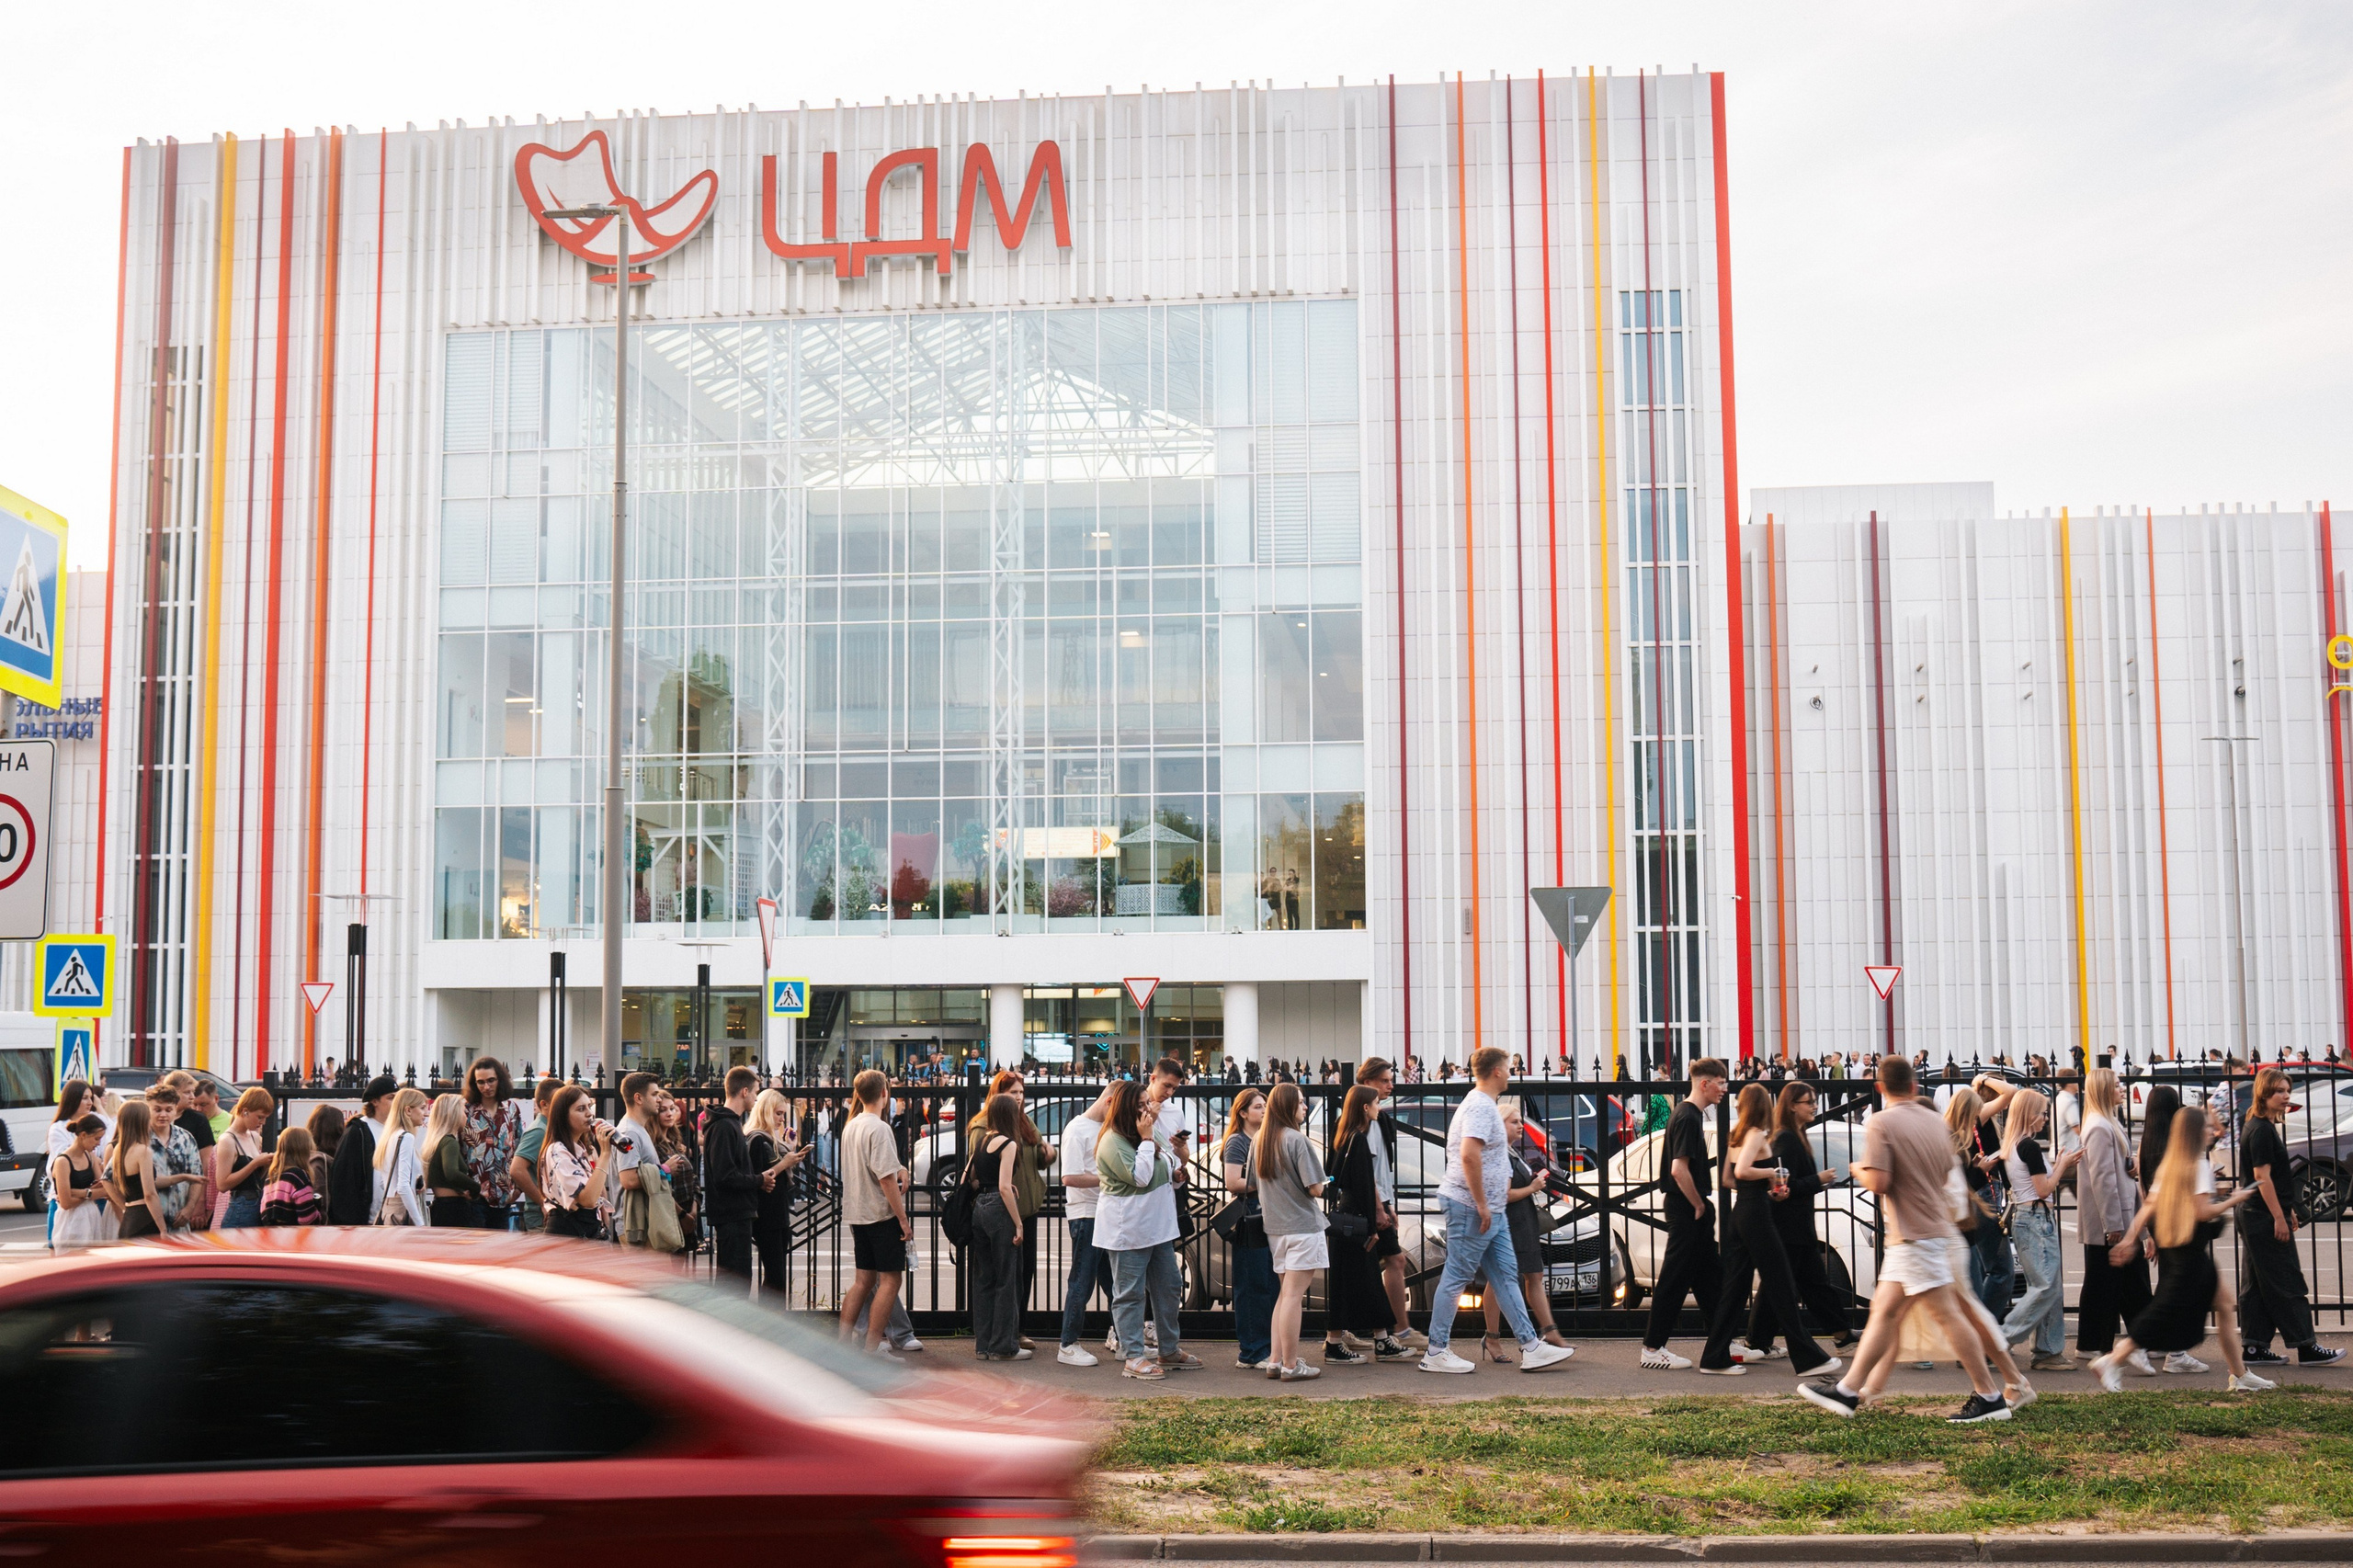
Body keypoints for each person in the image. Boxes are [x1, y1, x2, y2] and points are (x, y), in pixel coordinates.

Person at [1801, 1056, 2018, 1423]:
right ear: (1915, 1085)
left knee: (1947, 1316)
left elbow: (1880, 1182)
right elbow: (1946, 1172)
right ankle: (1849, 1390)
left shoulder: (1882, 1121)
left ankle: (1989, 1395)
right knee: (1885, 1313)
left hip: (1913, 1233)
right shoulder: (1935, 1121)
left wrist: (1859, 1169)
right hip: (1928, 1229)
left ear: (1881, 1087)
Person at [2091, 1105, 2273, 1393]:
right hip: (2192, 1254)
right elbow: (2202, 1212)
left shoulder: (2171, 1164)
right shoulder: (2198, 1165)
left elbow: (2149, 1206)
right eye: (2207, 1127)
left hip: (2179, 1249)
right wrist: (2234, 1199)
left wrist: (2129, 1239)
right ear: (2194, 1133)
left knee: (2224, 1305)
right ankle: (2115, 1358)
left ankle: (2239, 1374)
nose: (2213, 1131)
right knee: (2166, 1310)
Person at [1421, 1047, 1574, 1375]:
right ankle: (1436, 1350)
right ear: (1496, 1072)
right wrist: (1481, 1203)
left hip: (1490, 1208)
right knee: (1458, 1276)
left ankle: (1531, 1346)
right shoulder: (1480, 1106)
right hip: (1472, 1206)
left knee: (1506, 1275)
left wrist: (1488, 1204)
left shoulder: (1483, 1105)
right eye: (1509, 1068)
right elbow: (1469, 1155)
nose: (1512, 1073)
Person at [1699, 1082, 1838, 1378]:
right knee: (1782, 1284)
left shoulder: (1736, 1136)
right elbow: (1741, 1171)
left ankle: (1714, 1357)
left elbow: (1728, 1179)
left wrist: (1763, 1188)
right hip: (1757, 1216)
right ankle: (1809, 1359)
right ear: (1763, 1105)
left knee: (1735, 1289)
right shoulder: (1755, 1134)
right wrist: (1771, 1174)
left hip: (1742, 1211)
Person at [2237, 1066, 2347, 1368]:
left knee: (2257, 1284)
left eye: (2288, 1090)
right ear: (2264, 1094)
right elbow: (2261, 1178)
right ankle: (2307, 1347)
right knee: (2287, 1281)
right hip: (2261, 1216)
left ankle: (2254, 1348)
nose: (2286, 1096)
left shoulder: (2260, 1125)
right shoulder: (2260, 1129)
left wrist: (2287, 1211)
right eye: (2279, 1091)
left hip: (2257, 1215)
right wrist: (2279, 1217)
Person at [1095, 1079, 1198, 1380]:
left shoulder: (1149, 1134)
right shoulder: (1113, 1141)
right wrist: (1146, 1139)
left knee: (1169, 1286)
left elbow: (1167, 1166)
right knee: (1130, 1294)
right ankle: (1133, 1356)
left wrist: (1177, 1173)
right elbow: (1140, 1177)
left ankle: (1169, 1349)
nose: (1147, 1110)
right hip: (1129, 1230)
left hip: (1159, 1228)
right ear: (1125, 1107)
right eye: (1140, 1105)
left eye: (1147, 1104)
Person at [1745, 1082, 1856, 1357]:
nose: (1815, 1106)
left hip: (1797, 1227)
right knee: (1792, 1286)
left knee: (1803, 1284)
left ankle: (1759, 1341)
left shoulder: (1796, 1135)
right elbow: (1785, 1184)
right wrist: (1818, 1179)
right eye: (1809, 1102)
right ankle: (1839, 1336)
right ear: (1793, 1106)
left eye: (1815, 1101)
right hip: (1789, 1227)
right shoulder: (1787, 1139)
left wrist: (1815, 1182)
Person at [1640, 1058, 1730, 1371]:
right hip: (1687, 1207)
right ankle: (1653, 1348)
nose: (1724, 1089)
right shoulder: (1688, 1117)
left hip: (1690, 1207)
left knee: (1710, 1278)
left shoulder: (1686, 1114)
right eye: (1720, 1083)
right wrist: (1698, 1205)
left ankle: (1723, 1341)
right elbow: (1679, 1170)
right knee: (1674, 1279)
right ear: (1704, 1084)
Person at [1472, 1098, 1569, 1358]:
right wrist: (1532, 1187)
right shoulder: (1498, 1154)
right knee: (1499, 1281)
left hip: (1524, 1222)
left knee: (1534, 1275)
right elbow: (1503, 1195)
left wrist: (1533, 1183)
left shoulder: (1513, 1152)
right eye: (1514, 1122)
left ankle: (1550, 1332)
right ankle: (1493, 1338)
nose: (1521, 1126)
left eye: (1520, 1122)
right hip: (1509, 1223)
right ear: (1499, 1124)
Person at [2075, 1068, 2155, 1373]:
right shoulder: (2099, 1126)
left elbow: (2113, 1169)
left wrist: (2130, 1165)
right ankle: (2117, 1344)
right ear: (2103, 1090)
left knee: (2112, 1283)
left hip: (2118, 1218)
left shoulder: (2107, 1122)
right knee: (2112, 1285)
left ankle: (2118, 1343)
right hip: (2112, 1221)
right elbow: (2103, 1179)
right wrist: (2113, 1225)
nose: (2122, 1089)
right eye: (2117, 1085)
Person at [1252, 1082, 1333, 1381]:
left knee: (1285, 1295)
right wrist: (1325, 1182)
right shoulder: (1297, 1140)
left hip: (1275, 1228)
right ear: (1287, 1106)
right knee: (1293, 1298)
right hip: (1302, 1226)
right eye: (1300, 1102)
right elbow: (1315, 1188)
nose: (1305, 1106)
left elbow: (1252, 1183)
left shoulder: (1259, 1139)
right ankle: (1290, 1364)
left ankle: (1275, 1361)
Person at [1995, 1087, 2080, 1371]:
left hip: (2027, 1217)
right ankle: (2000, 1340)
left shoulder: (2011, 1145)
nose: (2045, 1118)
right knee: (2045, 1287)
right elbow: (2043, 1189)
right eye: (2043, 1113)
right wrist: (2063, 1166)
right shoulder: (2028, 1147)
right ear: (2030, 1114)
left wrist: (2057, 1165)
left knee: (2049, 1287)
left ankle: (2047, 1352)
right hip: (2036, 1218)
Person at [1329, 1085, 1408, 1360]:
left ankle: (1381, 1338)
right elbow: (1365, 1183)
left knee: (1365, 1281)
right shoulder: (1359, 1140)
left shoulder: (1345, 1136)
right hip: (1358, 1220)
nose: (1379, 1108)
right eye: (1376, 1103)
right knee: (1357, 1282)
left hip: (1348, 1215)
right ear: (1365, 1107)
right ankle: (1338, 1342)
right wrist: (1374, 1225)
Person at [837, 1069, 912, 1353]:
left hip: (857, 1213)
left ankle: (842, 1344)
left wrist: (898, 1167)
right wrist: (902, 1219)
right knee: (891, 1280)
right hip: (880, 1214)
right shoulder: (879, 1128)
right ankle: (870, 1350)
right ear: (884, 1093)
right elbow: (885, 1179)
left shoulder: (852, 1126)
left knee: (863, 1281)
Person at [1357, 1058, 1425, 1351]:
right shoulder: (1365, 1121)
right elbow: (1367, 1169)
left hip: (1381, 1201)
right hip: (1370, 1204)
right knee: (1388, 1262)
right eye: (1384, 1080)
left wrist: (1390, 1204)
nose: (1390, 1085)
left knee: (1382, 1264)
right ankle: (1399, 1330)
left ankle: (1392, 1329)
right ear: (1368, 1083)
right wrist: (1380, 1207)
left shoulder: (1380, 1119)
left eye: (1390, 1080)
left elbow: (1383, 1167)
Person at [1058, 1078, 1124, 1367]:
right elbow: (1069, 1177)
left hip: (1104, 1212)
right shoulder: (1077, 1129)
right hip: (1086, 1213)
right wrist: (1109, 1179)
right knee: (1082, 1282)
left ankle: (1122, 1338)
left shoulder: (1104, 1127)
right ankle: (1067, 1344)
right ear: (1108, 1101)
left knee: (1114, 1283)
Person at [993, 1069, 1059, 1348]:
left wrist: (1048, 1155)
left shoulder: (1026, 1120)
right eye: (1013, 1093)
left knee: (1026, 1270)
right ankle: (1004, 1333)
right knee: (1006, 1274)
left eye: (1021, 1092)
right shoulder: (986, 1124)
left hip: (1029, 1208)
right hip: (1004, 1209)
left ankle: (1019, 1329)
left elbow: (1038, 1156)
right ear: (999, 1095)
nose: (1019, 1097)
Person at [1217, 1086, 1277, 1370]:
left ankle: (1268, 1348)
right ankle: (1252, 1351)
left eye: (1265, 1106)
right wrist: (1268, 1181)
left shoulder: (1265, 1138)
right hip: (1250, 1213)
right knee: (1252, 1285)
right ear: (1242, 1112)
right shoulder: (1237, 1141)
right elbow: (1233, 1182)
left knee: (1270, 1282)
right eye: (1257, 1107)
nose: (1264, 1111)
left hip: (1268, 1213)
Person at [967, 1093, 1029, 1360]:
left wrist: (991, 1185)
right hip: (998, 1209)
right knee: (1006, 1279)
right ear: (1010, 1115)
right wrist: (1018, 1223)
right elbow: (1004, 1187)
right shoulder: (1008, 1143)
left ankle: (983, 1346)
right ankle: (1003, 1347)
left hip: (980, 1208)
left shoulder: (982, 1141)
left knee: (984, 1279)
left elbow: (971, 1178)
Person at [1944, 1088, 2013, 1322]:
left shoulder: (1955, 1138)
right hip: (1966, 1217)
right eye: (1975, 1114)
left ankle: (1980, 1331)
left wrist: (1975, 1168)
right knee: (1991, 1277)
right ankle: (1983, 1330)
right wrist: (1979, 1170)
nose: (1977, 1120)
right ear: (1966, 1112)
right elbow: (1957, 1187)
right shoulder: (1953, 1140)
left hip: (1967, 1220)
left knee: (1976, 1283)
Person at [704, 1066, 766, 1281]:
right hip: (732, 1215)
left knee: (736, 1283)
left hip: (734, 1215)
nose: (756, 1098)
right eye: (756, 1092)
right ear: (744, 1091)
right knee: (736, 1284)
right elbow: (725, 1176)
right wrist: (759, 1180)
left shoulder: (729, 1123)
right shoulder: (724, 1126)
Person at [746, 1088, 808, 1296]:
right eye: (778, 1113)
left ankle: (772, 1315)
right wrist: (785, 1163)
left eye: (783, 1114)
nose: (782, 1119)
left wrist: (790, 1149)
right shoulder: (757, 1139)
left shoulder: (771, 1139)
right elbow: (759, 1177)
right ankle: (769, 1317)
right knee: (776, 1278)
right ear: (765, 1111)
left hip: (778, 1214)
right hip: (766, 1217)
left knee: (778, 1277)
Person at [539, 1084, 615, 1239]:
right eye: (581, 1109)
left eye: (589, 1107)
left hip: (585, 1229)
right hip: (567, 1233)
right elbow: (587, 1200)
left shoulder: (580, 1148)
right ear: (563, 1115)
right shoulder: (557, 1151)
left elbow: (595, 1192)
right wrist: (606, 1153)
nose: (589, 1114)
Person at [460, 1055, 523, 1229]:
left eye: (491, 1080)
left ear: (500, 1080)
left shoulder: (511, 1109)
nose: (486, 1087)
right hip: (475, 1195)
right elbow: (457, 1148)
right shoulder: (466, 1110)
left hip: (504, 1195)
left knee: (500, 1244)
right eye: (480, 1082)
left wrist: (518, 1188)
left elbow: (519, 1148)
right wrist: (461, 1186)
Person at [327, 1074, 398, 1225]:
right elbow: (345, 1177)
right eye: (391, 1098)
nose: (396, 1102)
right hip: (365, 1221)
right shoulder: (358, 1130)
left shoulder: (397, 1130)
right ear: (374, 1101)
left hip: (392, 1219)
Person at [142, 1085, 205, 1231]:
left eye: (168, 1110)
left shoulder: (186, 1138)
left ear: (176, 1109)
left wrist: (189, 1208)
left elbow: (196, 1177)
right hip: (147, 1222)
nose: (163, 1115)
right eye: (157, 1110)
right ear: (148, 1109)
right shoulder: (139, 1138)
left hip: (179, 1221)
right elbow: (111, 1178)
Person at [212, 1088, 274, 1229]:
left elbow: (254, 1178)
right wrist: (254, 1164)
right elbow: (222, 1185)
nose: (263, 1122)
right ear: (245, 1112)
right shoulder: (228, 1140)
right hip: (240, 1208)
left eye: (265, 1118)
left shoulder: (254, 1136)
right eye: (260, 1117)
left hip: (256, 1205)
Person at [45, 1081, 97, 1244]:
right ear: (72, 1099)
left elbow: (101, 1162)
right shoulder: (58, 1129)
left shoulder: (94, 1123)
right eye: (85, 1098)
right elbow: (69, 1162)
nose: (90, 1102)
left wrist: (86, 1193)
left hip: (91, 1204)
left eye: (91, 1098)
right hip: (63, 1204)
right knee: (62, 1255)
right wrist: (88, 1193)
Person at [507, 1077, 562, 1233]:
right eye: (558, 1101)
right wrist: (543, 1202)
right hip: (542, 1219)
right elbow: (517, 1169)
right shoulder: (539, 1131)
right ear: (544, 1104)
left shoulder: (549, 1129)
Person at [48, 1113, 111, 1244]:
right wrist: (90, 1192)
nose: (99, 1143)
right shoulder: (63, 1161)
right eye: (96, 1138)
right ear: (83, 1135)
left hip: (91, 1216)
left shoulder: (90, 1156)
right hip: (71, 1221)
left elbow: (105, 1189)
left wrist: (80, 1192)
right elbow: (66, 1203)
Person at [421, 1094, 482, 1228]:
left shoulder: (435, 1143)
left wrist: (459, 1189)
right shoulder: (449, 1142)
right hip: (454, 1209)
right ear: (454, 1114)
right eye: (463, 1112)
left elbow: (442, 1176)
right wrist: (476, 1188)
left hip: (440, 1206)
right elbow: (451, 1173)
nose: (466, 1116)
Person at [372, 1087, 429, 1227]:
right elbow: (403, 1186)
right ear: (408, 1110)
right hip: (403, 1211)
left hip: (390, 1209)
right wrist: (420, 1223)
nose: (426, 1113)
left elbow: (383, 1182)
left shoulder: (391, 1136)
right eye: (422, 1108)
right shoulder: (406, 1137)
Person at [111, 1101, 169, 1239]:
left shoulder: (119, 1149)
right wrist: (163, 1229)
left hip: (129, 1217)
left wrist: (183, 1177)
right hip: (145, 1218)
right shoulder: (143, 1151)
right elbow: (149, 1194)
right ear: (142, 1122)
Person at [260, 1129, 323, 1226]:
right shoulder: (298, 1176)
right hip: (294, 1234)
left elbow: (264, 1213)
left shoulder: (271, 1177)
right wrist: (319, 1214)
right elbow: (307, 1219)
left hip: (272, 1233)